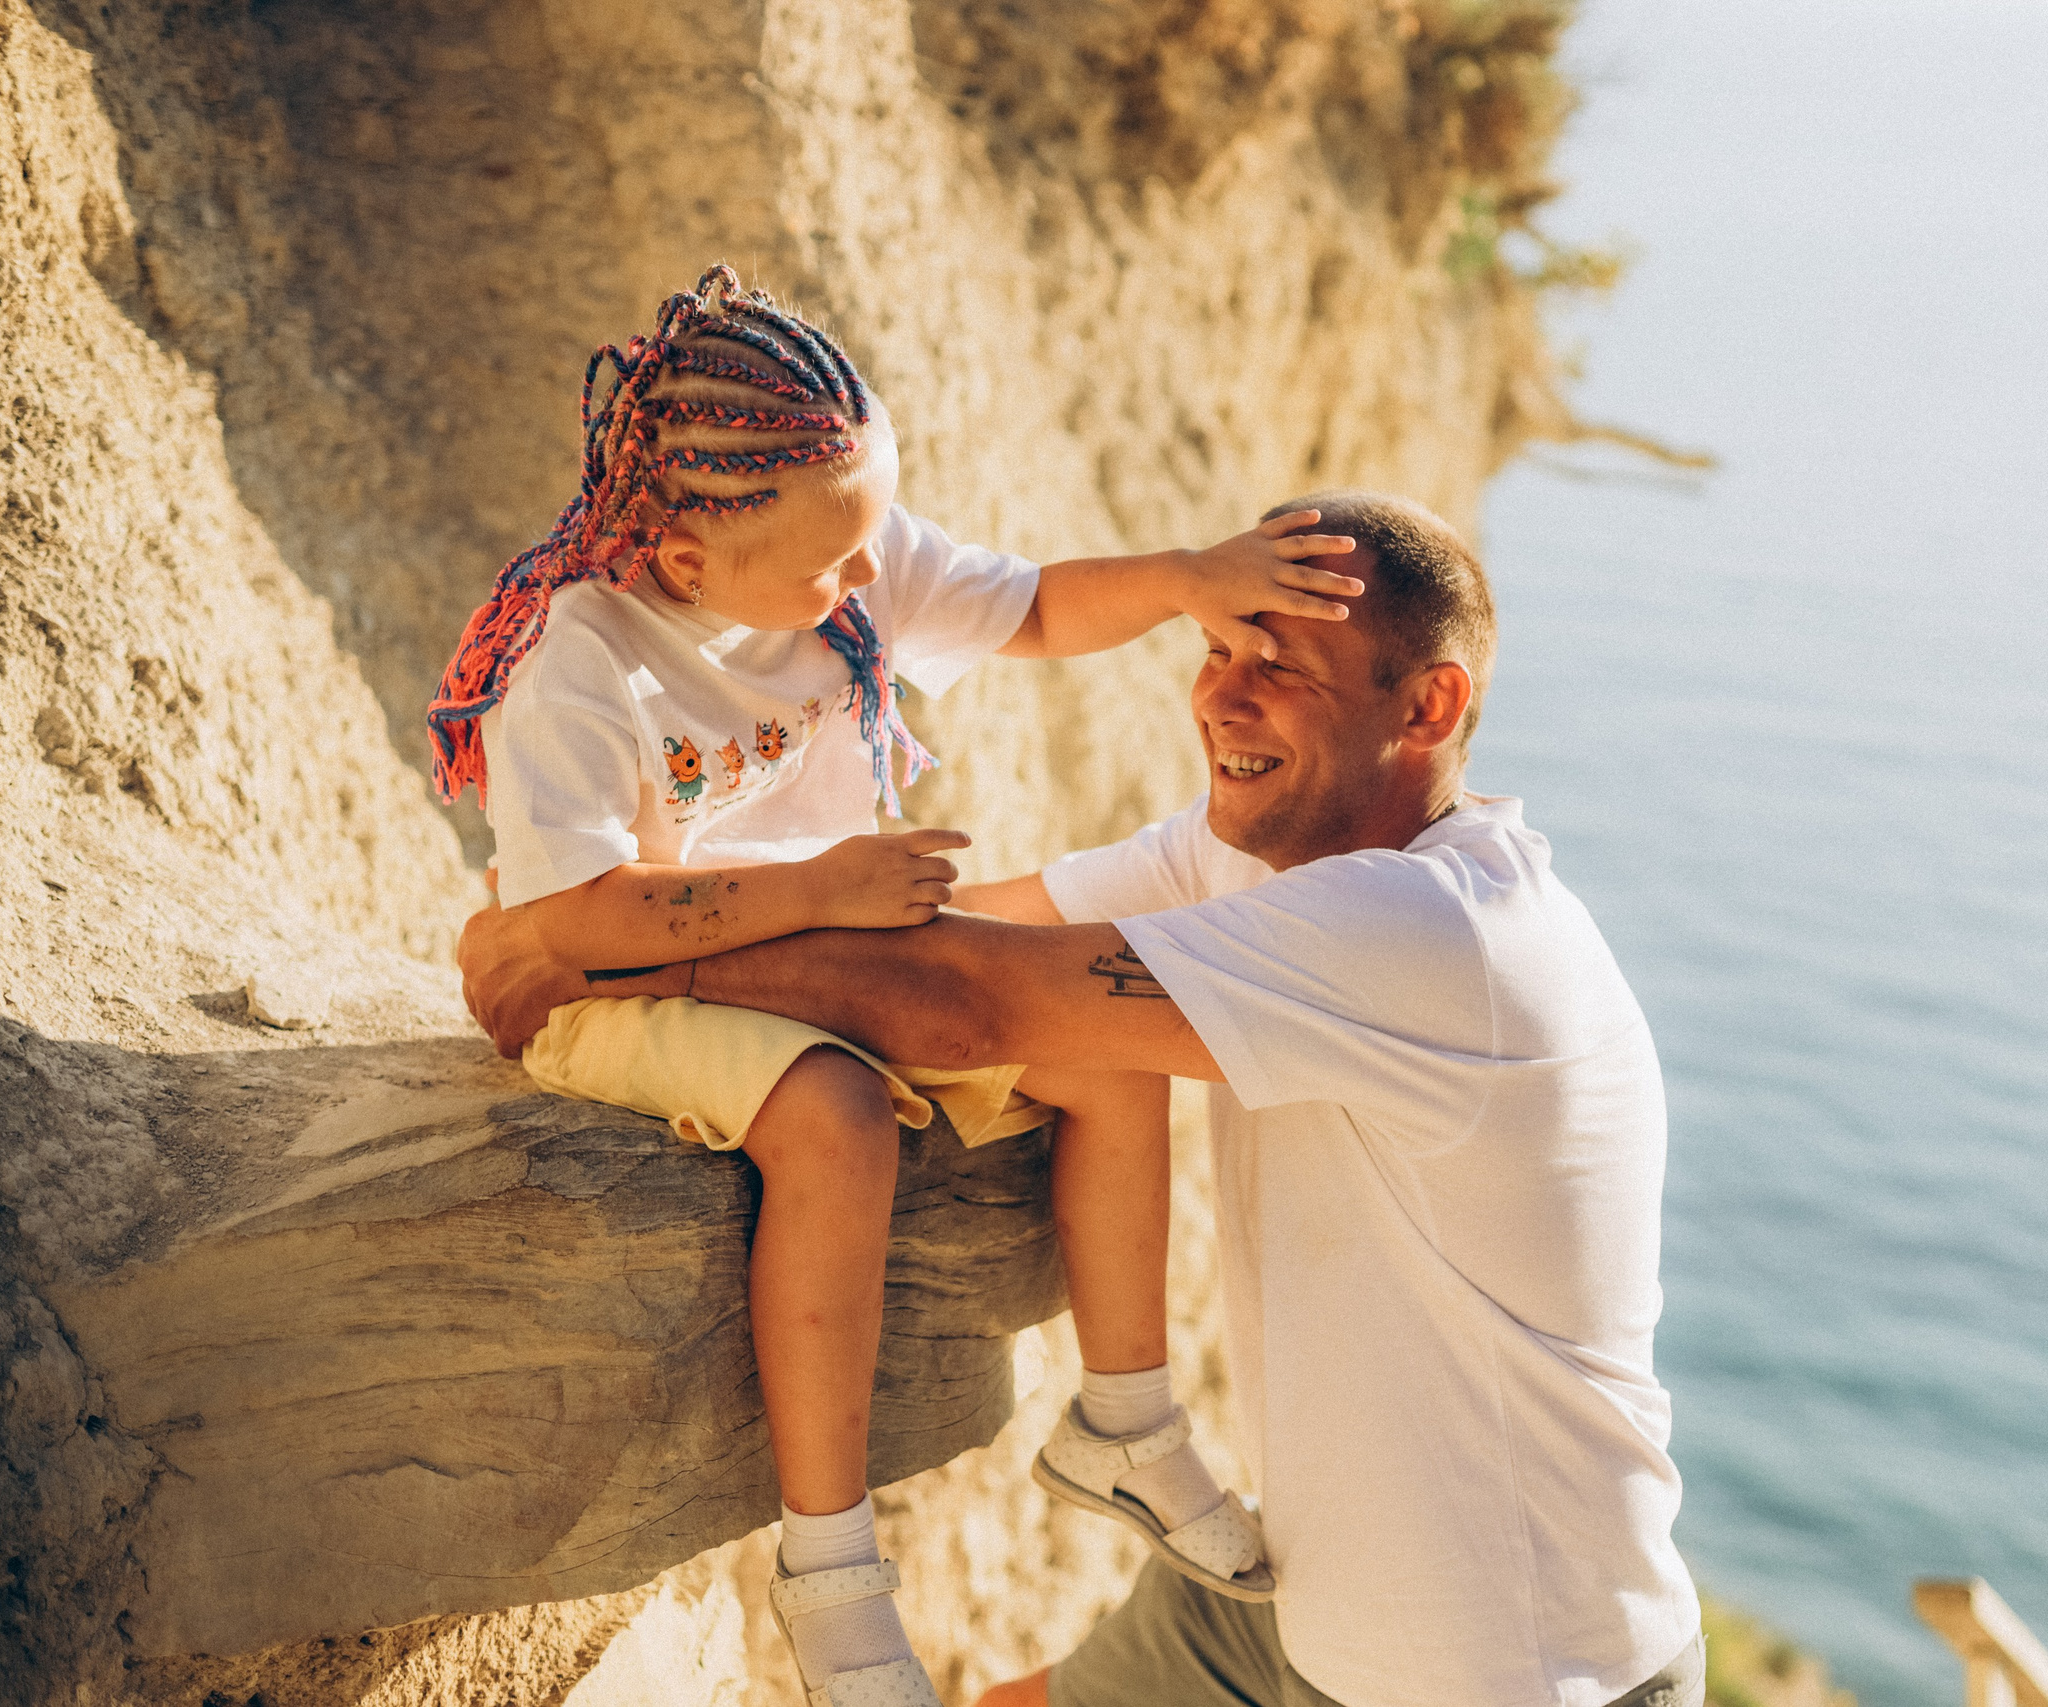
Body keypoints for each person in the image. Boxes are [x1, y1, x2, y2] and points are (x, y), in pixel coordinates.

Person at [460, 490, 1706, 1707]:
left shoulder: (1437, 932)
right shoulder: (1242, 856)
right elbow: (968, 929)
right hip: (1308, 1585)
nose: (1221, 694)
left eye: (1282, 669)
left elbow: (962, 997)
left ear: (1430, 705)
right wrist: (626, 935)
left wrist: (598, 962)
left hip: (1510, 1661)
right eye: (1219, 648)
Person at [429, 267, 1365, 1707]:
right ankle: (831, 1562)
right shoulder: (585, 666)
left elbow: (1040, 607)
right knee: (836, 1117)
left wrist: (1190, 576)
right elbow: (566, 922)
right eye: (832, 566)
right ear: (683, 558)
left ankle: (1124, 1417)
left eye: (874, 538)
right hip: (627, 985)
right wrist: (817, 887)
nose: (868, 585)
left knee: (1102, 1052)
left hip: (824, 949)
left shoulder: (841, 549)